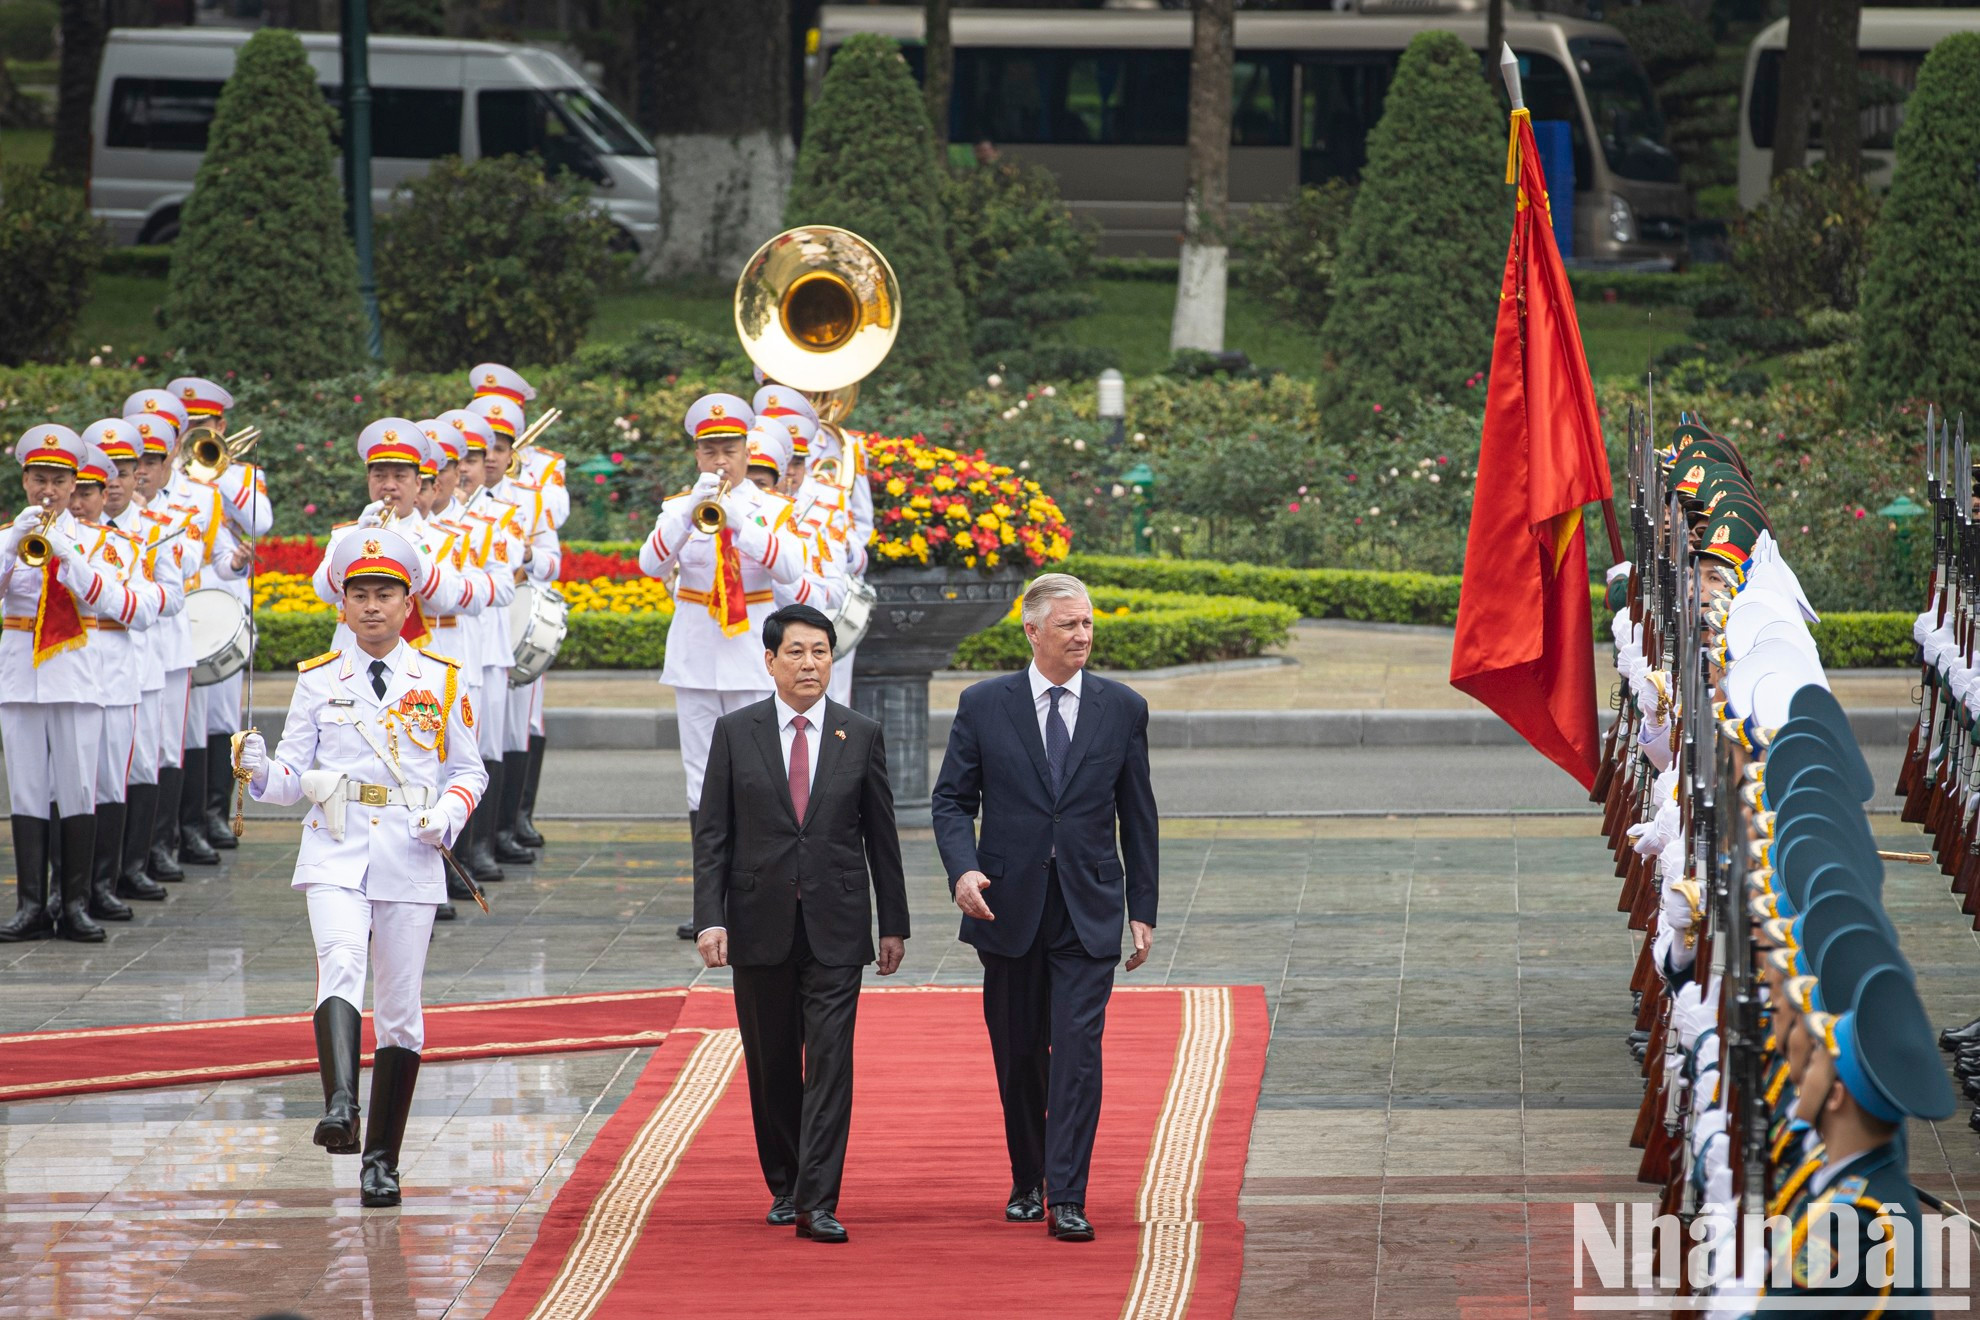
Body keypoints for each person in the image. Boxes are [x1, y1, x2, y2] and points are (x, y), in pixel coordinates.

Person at [234, 527, 485, 1207]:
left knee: (401, 1008)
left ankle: (382, 1159)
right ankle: (341, 1103)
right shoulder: (318, 680)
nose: (372, 606)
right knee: (340, 959)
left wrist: (448, 815)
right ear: (341, 604)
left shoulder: (440, 679)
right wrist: (259, 771)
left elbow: (469, 770)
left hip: (408, 846)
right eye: (359, 594)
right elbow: (292, 777)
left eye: (385, 594)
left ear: (408, 604)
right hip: (336, 842)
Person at [930, 572, 1159, 1241]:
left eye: (1088, 623)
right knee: (1021, 1052)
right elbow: (951, 801)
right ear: (1032, 631)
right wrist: (963, 869)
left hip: (1088, 907)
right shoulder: (983, 705)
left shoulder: (1123, 708)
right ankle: (1027, 1177)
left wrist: (1142, 906)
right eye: (1068, 624)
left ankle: (1068, 1196)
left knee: (1080, 1052)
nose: (1083, 635)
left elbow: (1137, 814)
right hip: (1008, 907)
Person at [692, 603, 908, 1243]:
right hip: (758, 923)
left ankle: (819, 1199)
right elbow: (713, 837)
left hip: (837, 926)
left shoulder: (859, 733)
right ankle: (786, 1184)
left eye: (820, 651)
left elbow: (882, 836)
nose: (810, 663)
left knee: (832, 1061)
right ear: (771, 661)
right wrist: (710, 918)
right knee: (773, 1063)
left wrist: (891, 924)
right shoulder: (736, 733)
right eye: (796, 652)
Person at [638, 393, 805, 940]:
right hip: (695, 654)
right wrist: (691, 514)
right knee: (700, 782)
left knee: (761, 778)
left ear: (745, 448)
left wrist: (740, 521)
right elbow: (648, 562)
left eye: (730, 450)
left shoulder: (773, 508)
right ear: (697, 454)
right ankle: (709, 906)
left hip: (752, 654)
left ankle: (763, 897)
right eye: (710, 451)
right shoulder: (678, 507)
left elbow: (790, 567)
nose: (721, 462)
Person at [1, 426, 166, 942]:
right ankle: (31, 905)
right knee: (27, 793)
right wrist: (12, 546)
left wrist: (67, 558)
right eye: (38, 479)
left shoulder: (104, 542)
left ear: (76, 486)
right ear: (24, 481)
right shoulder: (7, 534)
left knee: (77, 790)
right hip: (19, 675)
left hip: (77, 674)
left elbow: (124, 608)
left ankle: (74, 903)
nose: (47, 490)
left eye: (58, 481)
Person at [69, 442, 164, 923]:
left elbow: (154, 600)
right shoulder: (42, 536)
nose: (88, 498)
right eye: (81, 488)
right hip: (65, 673)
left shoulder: (138, 537)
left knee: (115, 777)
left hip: (125, 666)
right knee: (68, 786)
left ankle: (106, 880)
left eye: (98, 486)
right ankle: (66, 891)